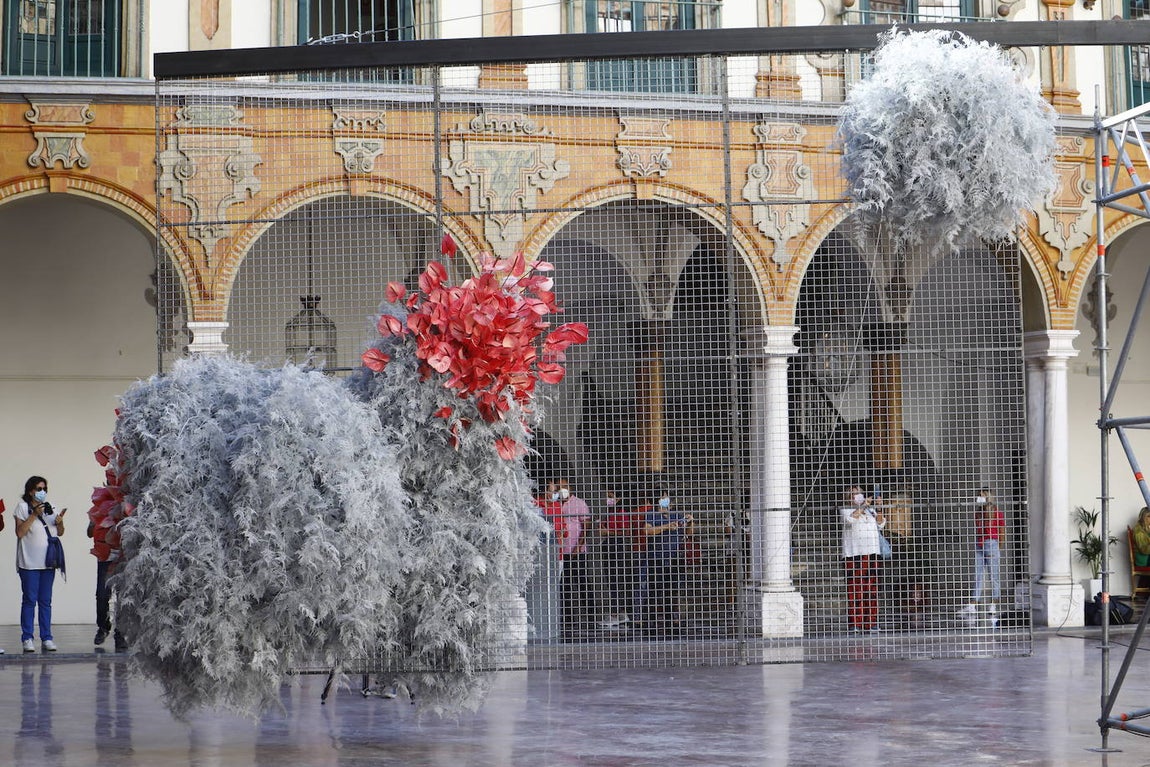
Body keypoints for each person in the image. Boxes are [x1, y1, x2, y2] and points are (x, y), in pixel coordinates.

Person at [14, 475, 65, 653]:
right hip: (29, 563)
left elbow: (60, 532)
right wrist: (34, 515)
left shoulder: (51, 508)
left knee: (45, 601)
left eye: (44, 489)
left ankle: (47, 638)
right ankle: (27, 638)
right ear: (30, 491)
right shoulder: (22, 507)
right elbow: (20, 533)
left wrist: (60, 523)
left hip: (48, 563)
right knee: (29, 600)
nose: (42, 492)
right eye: (38, 488)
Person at [642, 489, 692, 634]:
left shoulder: (676, 515)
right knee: (654, 591)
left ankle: (672, 621)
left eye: (667, 498)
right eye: (663, 498)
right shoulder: (652, 514)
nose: (666, 500)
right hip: (656, 558)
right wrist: (666, 527)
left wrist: (690, 522)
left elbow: (688, 533)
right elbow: (647, 531)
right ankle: (650, 621)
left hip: (674, 558)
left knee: (671, 591)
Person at [841, 484, 884, 634]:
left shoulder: (869, 511)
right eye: (854, 494)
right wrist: (864, 506)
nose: (858, 495)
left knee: (871, 589)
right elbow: (850, 520)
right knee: (855, 589)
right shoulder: (845, 510)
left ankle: (871, 622)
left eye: (859, 493)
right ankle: (855, 623)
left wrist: (878, 508)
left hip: (872, 552)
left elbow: (881, 523)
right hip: (854, 554)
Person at [960, 488, 1004, 622]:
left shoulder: (997, 513)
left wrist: (998, 548)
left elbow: (1002, 532)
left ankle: (994, 605)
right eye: (978, 496)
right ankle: (973, 604)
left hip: (991, 543)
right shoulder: (978, 513)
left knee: (993, 576)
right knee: (978, 574)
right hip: (980, 543)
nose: (979, 498)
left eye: (982, 496)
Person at [556, 478, 592, 637]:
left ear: (570, 488)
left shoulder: (579, 503)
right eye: (559, 487)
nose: (561, 489)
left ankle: (591, 618)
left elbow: (587, 526)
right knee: (564, 586)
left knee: (582, 583)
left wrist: (579, 545)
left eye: (564, 486)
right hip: (560, 554)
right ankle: (567, 620)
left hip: (577, 552)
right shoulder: (555, 504)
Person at [597, 488, 637, 628]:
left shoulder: (621, 513)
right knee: (610, 580)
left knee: (617, 580)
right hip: (608, 547)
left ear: (618, 499)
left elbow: (625, 532)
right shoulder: (608, 513)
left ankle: (618, 613)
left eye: (611, 496)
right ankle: (617, 613)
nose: (608, 499)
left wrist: (608, 531)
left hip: (618, 549)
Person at [87, 516, 127, 652]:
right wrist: (94, 523)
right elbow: (89, 533)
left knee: (123, 598)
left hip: (124, 559)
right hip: (105, 559)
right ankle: (103, 627)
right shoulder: (101, 508)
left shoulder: (125, 504)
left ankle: (120, 634)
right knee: (102, 595)